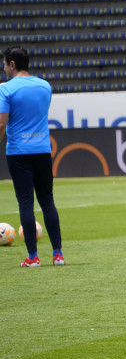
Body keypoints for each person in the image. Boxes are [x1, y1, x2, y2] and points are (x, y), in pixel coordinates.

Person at [0, 46, 64, 267]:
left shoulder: (6, 89)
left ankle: (33, 257)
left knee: (25, 201)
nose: (4, 67)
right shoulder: (45, 86)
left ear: (12, 64)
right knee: (47, 201)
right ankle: (58, 255)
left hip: (19, 151)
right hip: (43, 149)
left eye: (4, 63)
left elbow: (1, 122)